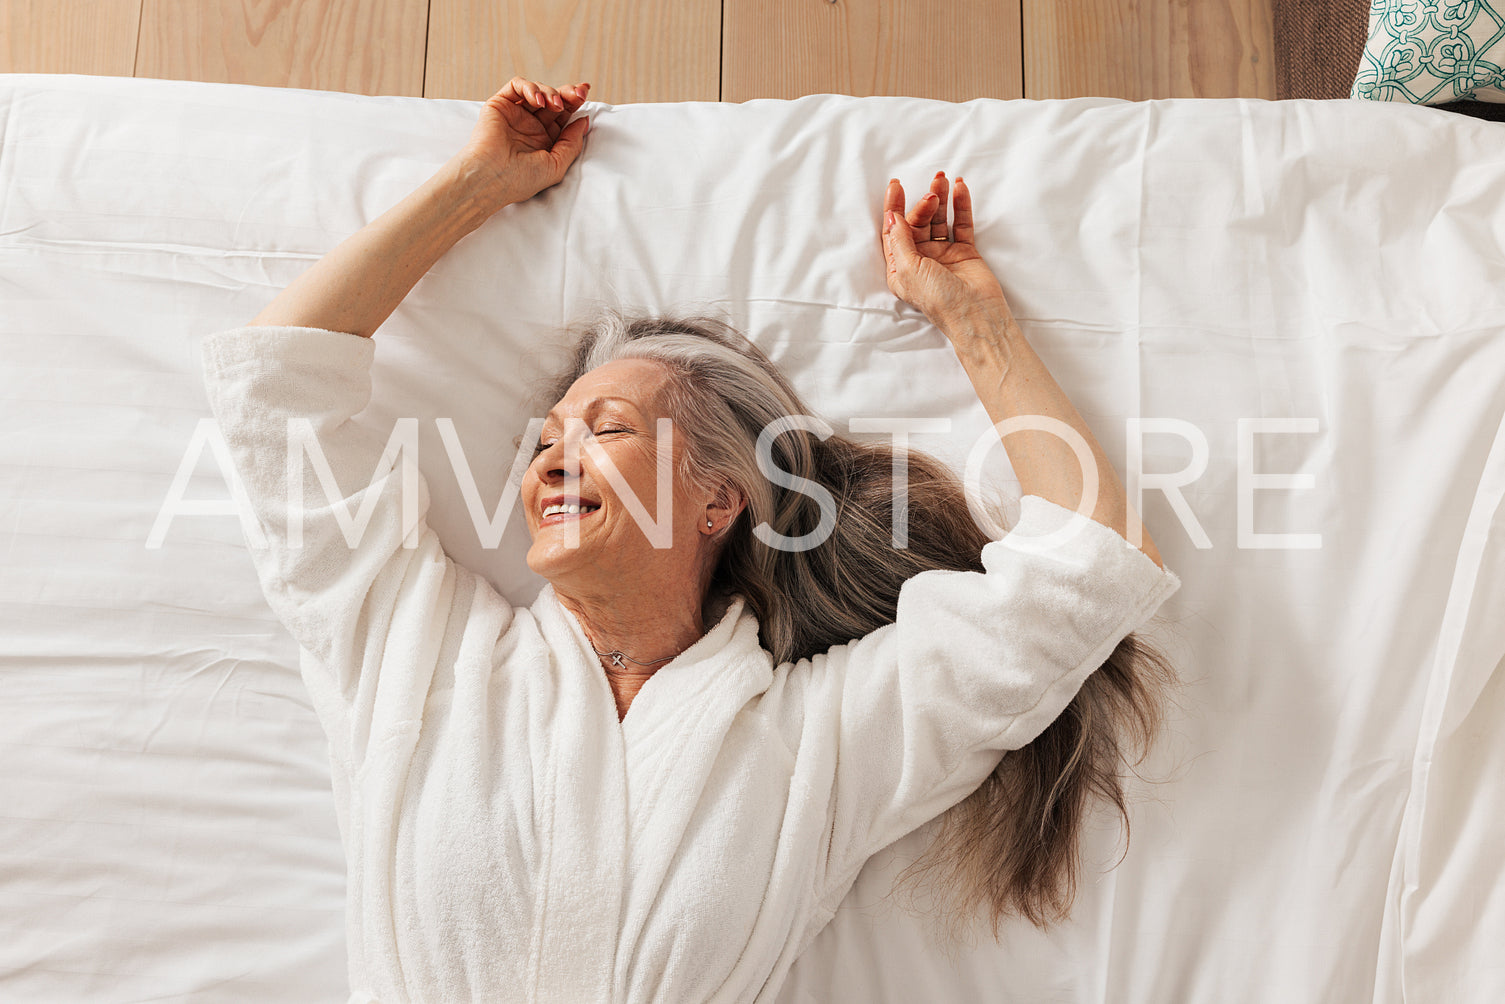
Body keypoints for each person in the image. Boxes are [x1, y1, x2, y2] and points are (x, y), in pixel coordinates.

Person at [199, 77, 1181, 1003]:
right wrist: (477, 185)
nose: (549, 459)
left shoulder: (819, 742)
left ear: (717, 501)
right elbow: (273, 385)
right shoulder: (412, 645)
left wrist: (971, 318)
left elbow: (1087, 562)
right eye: (545, 440)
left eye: (604, 430)